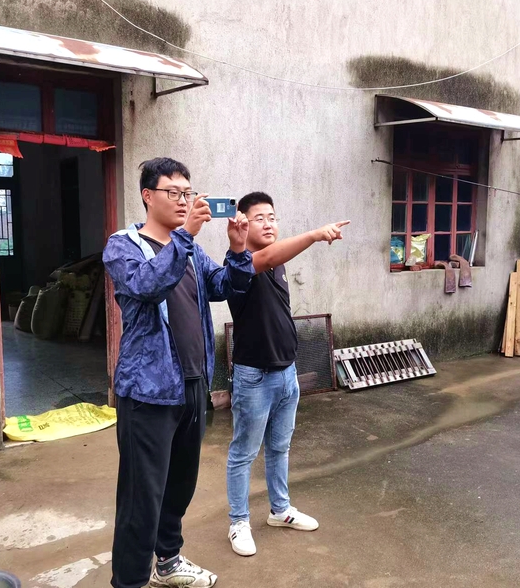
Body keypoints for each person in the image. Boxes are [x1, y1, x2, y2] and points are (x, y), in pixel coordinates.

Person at [103, 158, 254, 588]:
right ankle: (129, 581)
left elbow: (224, 286)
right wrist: (185, 235)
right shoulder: (123, 245)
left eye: (189, 193)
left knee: (179, 486)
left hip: (192, 386)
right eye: (174, 193)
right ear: (148, 196)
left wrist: (238, 251)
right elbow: (147, 285)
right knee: (142, 498)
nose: (184, 200)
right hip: (147, 394)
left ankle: (168, 562)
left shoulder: (189, 251)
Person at [225, 191, 349, 557]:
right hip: (254, 377)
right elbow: (262, 258)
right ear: (242, 224)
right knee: (243, 453)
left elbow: (273, 259)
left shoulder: (276, 264)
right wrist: (314, 234)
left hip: (286, 373)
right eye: (259, 218)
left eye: (272, 217)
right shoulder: (241, 263)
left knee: (280, 447)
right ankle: (238, 522)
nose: (268, 224)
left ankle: (280, 510)